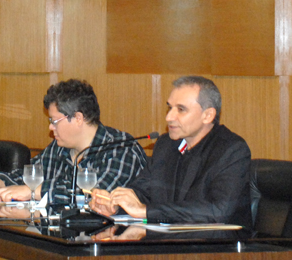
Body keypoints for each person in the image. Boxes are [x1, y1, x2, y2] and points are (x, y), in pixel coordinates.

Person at [89, 76, 252, 226]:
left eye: (181, 109)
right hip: (169, 241)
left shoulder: (231, 150)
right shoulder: (166, 145)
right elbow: (142, 192)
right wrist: (116, 204)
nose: (169, 117)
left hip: (219, 245)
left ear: (207, 115)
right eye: (170, 108)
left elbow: (217, 212)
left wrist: (146, 211)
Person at [0, 79, 147, 205]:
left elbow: (95, 195)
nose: (50, 127)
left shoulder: (122, 149)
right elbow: (30, 175)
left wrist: (35, 192)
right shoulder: (60, 147)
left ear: (78, 118)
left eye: (54, 121)